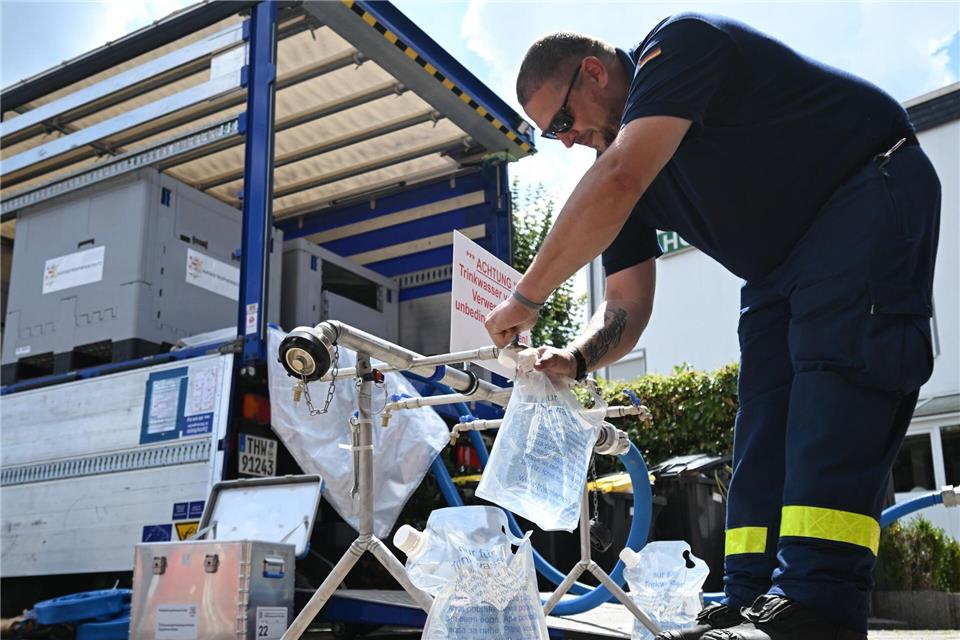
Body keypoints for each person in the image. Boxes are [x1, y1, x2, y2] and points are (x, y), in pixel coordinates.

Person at [484, 13, 940, 640]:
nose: (566, 142)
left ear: (593, 71)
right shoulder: (627, 161)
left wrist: (527, 298)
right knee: (764, 426)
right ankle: (753, 597)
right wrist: (578, 357)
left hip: (863, 190)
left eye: (562, 121)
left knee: (833, 393)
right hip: (779, 267)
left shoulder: (680, 47)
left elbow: (616, 179)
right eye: (550, 136)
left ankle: (816, 608)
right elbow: (626, 302)